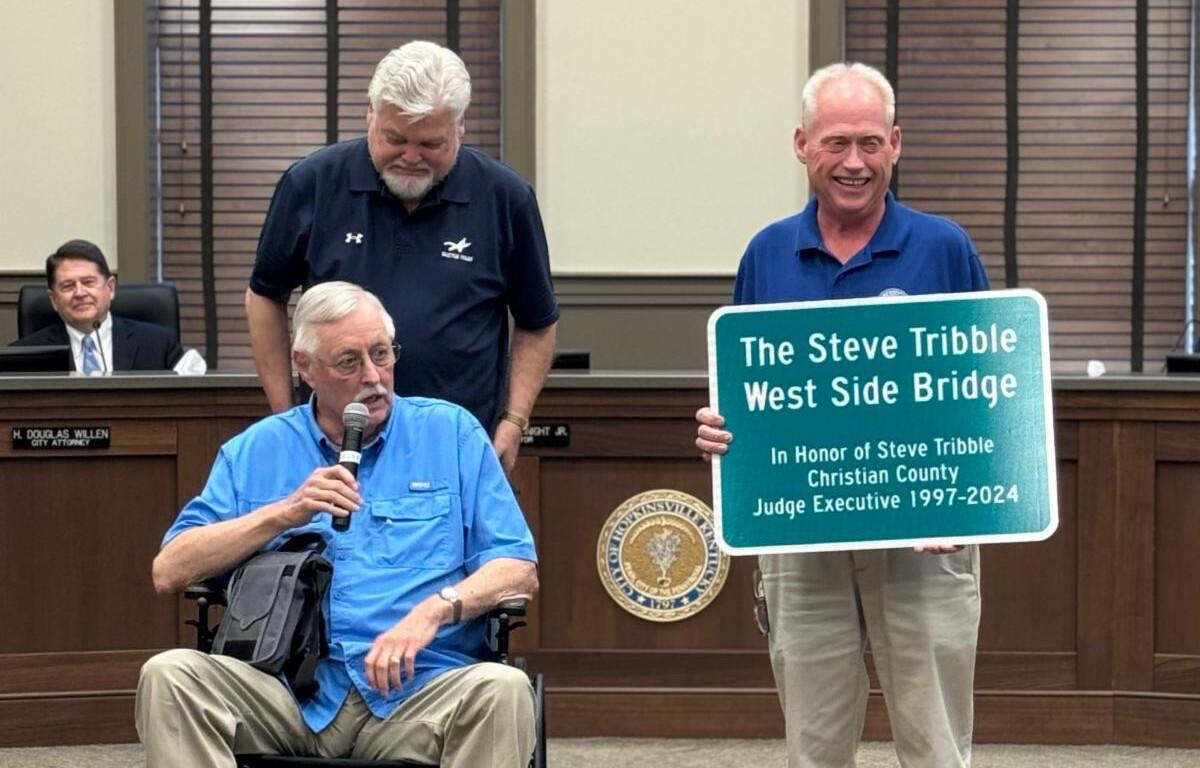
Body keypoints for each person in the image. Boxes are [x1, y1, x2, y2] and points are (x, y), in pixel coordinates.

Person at [695, 63, 990, 768]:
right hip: (802, 537)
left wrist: (965, 500)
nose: (853, 162)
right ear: (802, 144)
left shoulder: (946, 248)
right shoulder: (766, 254)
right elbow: (748, 392)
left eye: (868, 143)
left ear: (895, 144)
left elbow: (987, 396)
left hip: (927, 532)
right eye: (835, 143)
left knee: (936, 741)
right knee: (815, 741)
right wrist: (722, 429)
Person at [136, 281, 538, 766]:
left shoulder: (450, 433)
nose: (373, 376)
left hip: (418, 693)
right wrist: (285, 512)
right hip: (284, 691)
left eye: (382, 354)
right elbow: (170, 569)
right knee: (169, 675)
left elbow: (517, 567)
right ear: (303, 366)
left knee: (503, 688)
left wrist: (433, 611)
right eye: (349, 362)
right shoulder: (257, 449)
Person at [246, 40, 558, 473]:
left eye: (430, 144)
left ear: (460, 127)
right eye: (395, 139)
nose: (410, 157)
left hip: (458, 450)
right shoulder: (311, 184)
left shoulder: (506, 198)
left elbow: (537, 322)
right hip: (334, 446)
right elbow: (264, 294)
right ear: (370, 115)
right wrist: (286, 417)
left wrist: (513, 422)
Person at [11, 239, 182, 372]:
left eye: (88, 282)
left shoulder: (159, 345)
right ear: (54, 300)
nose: (79, 293)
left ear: (110, 288)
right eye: (68, 286)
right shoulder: (23, 355)